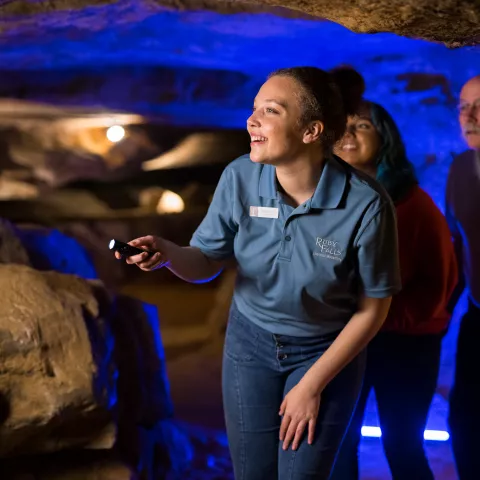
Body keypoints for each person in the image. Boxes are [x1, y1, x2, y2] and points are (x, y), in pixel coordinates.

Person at [114, 66, 401, 480]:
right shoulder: (240, 177)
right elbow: (207, 262)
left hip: (324, 352)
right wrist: (170, 254)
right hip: (250, 345)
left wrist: (311, 385)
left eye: (271, 110)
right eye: (254, 108)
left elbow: (373, 309)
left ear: (311, 131)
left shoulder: (366, 205)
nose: (252, 120)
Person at [331, 97, 457, 480]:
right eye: (343, 125)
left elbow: (441, 284)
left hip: (405, 343)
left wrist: (375, 318)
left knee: (401, 444)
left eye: (363, 125)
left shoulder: (412, 206)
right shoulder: (333, 197)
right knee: (339, 443)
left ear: (385, 139)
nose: (349, 133)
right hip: (352, 339)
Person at [446, 74, 480, 480]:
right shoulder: (459, 169)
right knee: (466, 424)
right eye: (463, 106)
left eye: (479, 106)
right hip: (478, 317)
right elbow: (457, 246)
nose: (469, 116)